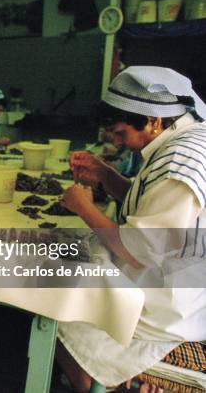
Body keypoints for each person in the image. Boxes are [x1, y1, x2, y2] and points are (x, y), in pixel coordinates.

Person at [58, 66, 206, 392]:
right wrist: (105, 173)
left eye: (121, 133)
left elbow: (139, 251)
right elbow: (149, 207)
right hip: (173, 283)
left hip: (167, 309)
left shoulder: (182, 159)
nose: (116, 140)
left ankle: (102, 383)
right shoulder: (182, 138)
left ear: (153, 121)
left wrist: (84, 207)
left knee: (52, 306)